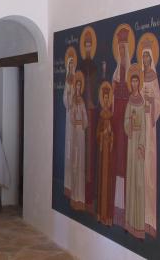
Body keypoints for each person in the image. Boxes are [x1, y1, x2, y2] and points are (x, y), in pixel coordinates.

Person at [137, 33, 160, 238]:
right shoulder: (137, 75)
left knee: (148, 172)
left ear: (150, 58)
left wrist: (151, 102)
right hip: (139, 127)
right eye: (143, 57)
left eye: (147, 57)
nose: (145, 60)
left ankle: (149, 219)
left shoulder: (153, 77)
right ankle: (138, 216)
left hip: (149, 126)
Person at [111, 24, 132, 227]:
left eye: (125, 49)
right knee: (117, 161)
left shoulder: (133, 75)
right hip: (117, 123)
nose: (123, 53)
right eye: (120, 49)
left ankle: (127, 208)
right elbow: (110, 99)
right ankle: (116, 205)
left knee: (126, 164)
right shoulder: (117, 74)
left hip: (129, 126)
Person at [124, 64, 146, 239]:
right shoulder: (130, 100)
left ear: (139, 84)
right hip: (131, 142)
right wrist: (129, 122)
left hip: (138, 146)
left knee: (138, 183)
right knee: (130, 181)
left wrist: (141, 145)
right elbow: (125, 124)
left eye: (136, 82)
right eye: (132, 82)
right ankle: (129, 222)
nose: (134, 85)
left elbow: (145, 126)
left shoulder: (142, 101)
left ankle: (139, 224)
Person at [79, 27, 98, 212]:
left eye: (90, 44)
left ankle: (90, 195)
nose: (87, 47)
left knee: (91, 154)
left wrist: (92, 101)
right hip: (82, 112)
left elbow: (97, 88)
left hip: (91, 112)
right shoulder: (80, 67)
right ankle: (81, 193)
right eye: (85, 44)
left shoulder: (94, 67)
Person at [96, 82, 114, 225]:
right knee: (102, 181)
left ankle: (107, 216)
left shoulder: (111, 116)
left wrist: (111, 135)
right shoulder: (102, 116)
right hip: (103, 156)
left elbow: (114, 133)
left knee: (109, 183)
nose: (107, 100)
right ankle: (100, 214)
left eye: (108, 98)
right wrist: (103, 134)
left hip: (109, 154)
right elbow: (97, 134)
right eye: (105, 98)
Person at [69, 71, 88, 211]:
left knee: (80, 163)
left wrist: (80, 120)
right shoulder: (73, 103)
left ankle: (80, 198)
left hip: (80, 133)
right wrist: (75, 119)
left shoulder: (82, 102)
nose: (77, 88)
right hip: (75, 133)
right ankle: (74, 196)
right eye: (76, 86)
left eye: (79, 86)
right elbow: (71, 118)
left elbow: (85, 121)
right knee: (74, 164)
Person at [63, 46, 77, 198]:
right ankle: (68, 185)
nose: (72, 67)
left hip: (77, 116)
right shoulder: (68, 81)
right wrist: (68, 98)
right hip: (69, 116)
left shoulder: (77, 79)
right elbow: (65, 99)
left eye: (73, 65)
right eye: (70, 65)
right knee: (69, 148)